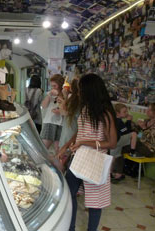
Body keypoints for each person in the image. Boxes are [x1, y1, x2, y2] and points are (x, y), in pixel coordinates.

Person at [58, 73, 117, 231]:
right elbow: (80, 132)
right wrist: (66, 146)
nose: (79, 93)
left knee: (95, 202)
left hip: (96, 161)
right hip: (79, 158)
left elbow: (111, 142)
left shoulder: (105, 113)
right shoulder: (85, 109)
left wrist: (84, 142)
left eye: (81, 90)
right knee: (68, 193)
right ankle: (70, 227)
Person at [111, 103, 140, 182]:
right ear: (117, 113)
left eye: (127, 111)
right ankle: (132, 151)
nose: (127, 113)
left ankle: (109, 174)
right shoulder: (119, 121)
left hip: (113, 141)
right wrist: (128, 121)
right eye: (124, 112)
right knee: (134, 134)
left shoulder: (114, 119)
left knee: (113, 157)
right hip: (118, 140)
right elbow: (127, 132)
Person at [40, 74, 65, 154]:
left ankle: (56, 164)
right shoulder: (49, 94)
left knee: (58, 149)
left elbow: (67, 109)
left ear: (60, 85)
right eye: (52, 86)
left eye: (55, 86)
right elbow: (43, 106)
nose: (53, 88)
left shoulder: (65, 94)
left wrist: (59, 95)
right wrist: (49, 95)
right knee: (43, 147)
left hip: (61, 123)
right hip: (50, 122)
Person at [58, 78, 80, 150]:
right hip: (73, 131)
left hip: (70, 132)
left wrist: (65, 97)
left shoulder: (75, 100)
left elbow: (64, 112)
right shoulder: (79, 100)